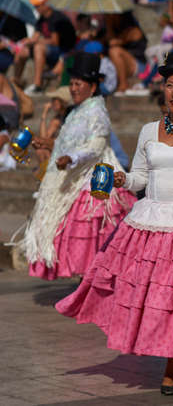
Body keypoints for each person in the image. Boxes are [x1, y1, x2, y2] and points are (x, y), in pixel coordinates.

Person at [55, 51, 173, 395]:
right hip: (155, 220)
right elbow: (141, 177)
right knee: (160, 297)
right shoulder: (148, 131)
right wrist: (121, 180)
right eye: (169, 85)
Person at [21, 52, 136, 280]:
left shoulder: (97, 111)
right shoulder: (76, 111)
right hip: (75, 178)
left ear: (92, 87)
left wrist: (70, 158)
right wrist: (50, 143)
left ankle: (96, 284)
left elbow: (95, 146)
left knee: (95, 235)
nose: (73, 88)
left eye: (78, 84)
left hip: (96, 179)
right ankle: (89, 285)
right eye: (71, 83)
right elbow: (70, 142)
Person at [14, 0, 76, 95]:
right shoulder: (42, 19)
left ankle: (37, 85)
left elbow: (55, 42)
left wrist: (35, 41)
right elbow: (36, 36)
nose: (35, 7)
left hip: (62, 51)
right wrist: (27, 41)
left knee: (38, 47)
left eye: (38, 5)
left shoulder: (57, 17)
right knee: (23, 51)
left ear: (47, 4)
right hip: (50, 49)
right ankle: (16, 82)